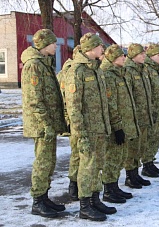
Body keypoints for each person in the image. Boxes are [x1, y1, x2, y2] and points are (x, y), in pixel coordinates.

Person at [65, 33, 116, 221]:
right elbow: (73, 107)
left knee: (97, 166)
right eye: (100, 46)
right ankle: (85, 205)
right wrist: (80, 134)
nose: (103, 49)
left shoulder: (96, 69)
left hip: (100, 128)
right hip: (87, 130)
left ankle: (95, 199)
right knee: (87, 167)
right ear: (91, 49)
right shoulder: (77, 71)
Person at [21, 29, 67, 218]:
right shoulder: (34, 66)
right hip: (41, 125)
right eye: (53, 43)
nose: (55, 46)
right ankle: (38, 201)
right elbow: (34, 99)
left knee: (49, 161)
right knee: (42, 162)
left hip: (48, 123)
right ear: (43, 44)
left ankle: (44, 196)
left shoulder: (44, 63)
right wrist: (46, 124)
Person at [100, 44, 140, 203]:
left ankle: (114, 186)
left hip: (125, 122)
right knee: (112, 157)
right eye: (121, 56)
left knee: (120, 156)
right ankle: (108, 190)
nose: (124, 58)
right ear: (112, 58)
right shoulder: (108, 75)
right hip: (116, 124)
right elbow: (111, 104)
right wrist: (117, 126)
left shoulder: (120, 73)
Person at [123, 43, 153, 188]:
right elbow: (127, 96)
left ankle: (136, 173)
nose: (144, 56)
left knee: (140, 146)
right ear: (134, 55)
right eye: (141, 54)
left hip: (144, 115)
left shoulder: (142, 70)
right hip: (133, 116)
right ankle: (130, 175)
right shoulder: (128, 71)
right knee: (132, 147)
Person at [56, 45, 81, 201]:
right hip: (72, 119)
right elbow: (64, 99)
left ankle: (80, 183)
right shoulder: (68, 72)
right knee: (77, 154)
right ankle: (74, 184)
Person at [142, 44, 159, 177]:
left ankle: (150, 162)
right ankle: (146, 164)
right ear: (151, 56)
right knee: (149, 138)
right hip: (151, 112)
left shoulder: (157, 70)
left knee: (156, 138)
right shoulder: (147, 69)